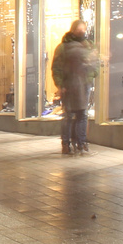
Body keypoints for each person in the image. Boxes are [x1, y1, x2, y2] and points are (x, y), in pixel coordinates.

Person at [52, 19, 98, 156]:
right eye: (79, 29)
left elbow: (96, 63)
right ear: (73, 30)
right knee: (70, 114)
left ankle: (80, 142)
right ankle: (68, 144)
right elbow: (57, 68)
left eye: (83, 29)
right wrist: (60, 85)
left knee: (81, 114)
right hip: (70, 85)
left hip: (83, 85)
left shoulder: (89, 46)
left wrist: (89, 76)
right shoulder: (64, 47)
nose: (82, 32)